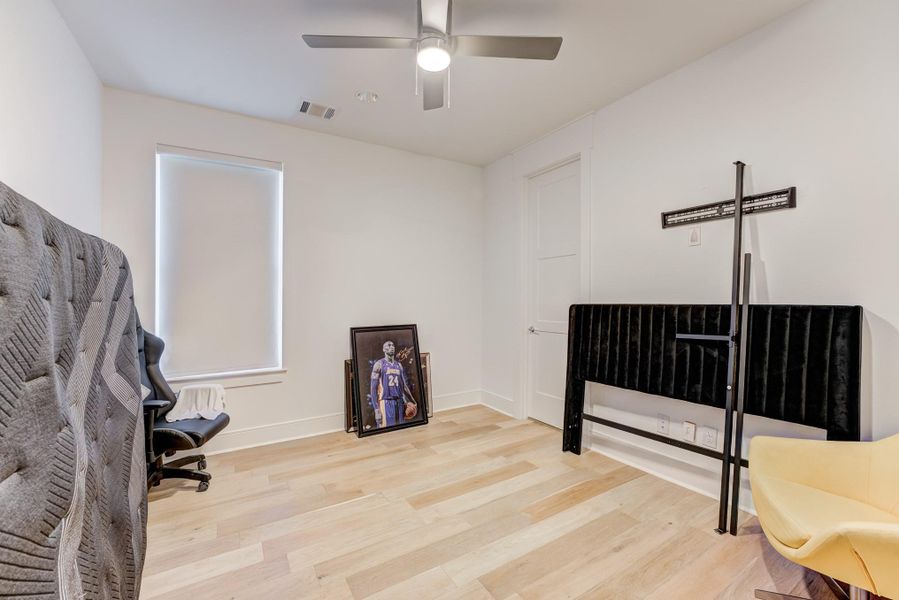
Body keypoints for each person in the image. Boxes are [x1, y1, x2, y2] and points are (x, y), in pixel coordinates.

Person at [369, 340, 417, 427]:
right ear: (384, 349)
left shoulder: (399, 365)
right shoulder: (379, 364)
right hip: (386, 402)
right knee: (385, 431)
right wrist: (376, 409)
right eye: (389, 345)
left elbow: (404, 387)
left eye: (393, 345)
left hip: (399, 402)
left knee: (400, 430)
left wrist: (412, 401)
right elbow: (373, 389)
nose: (392, 347)